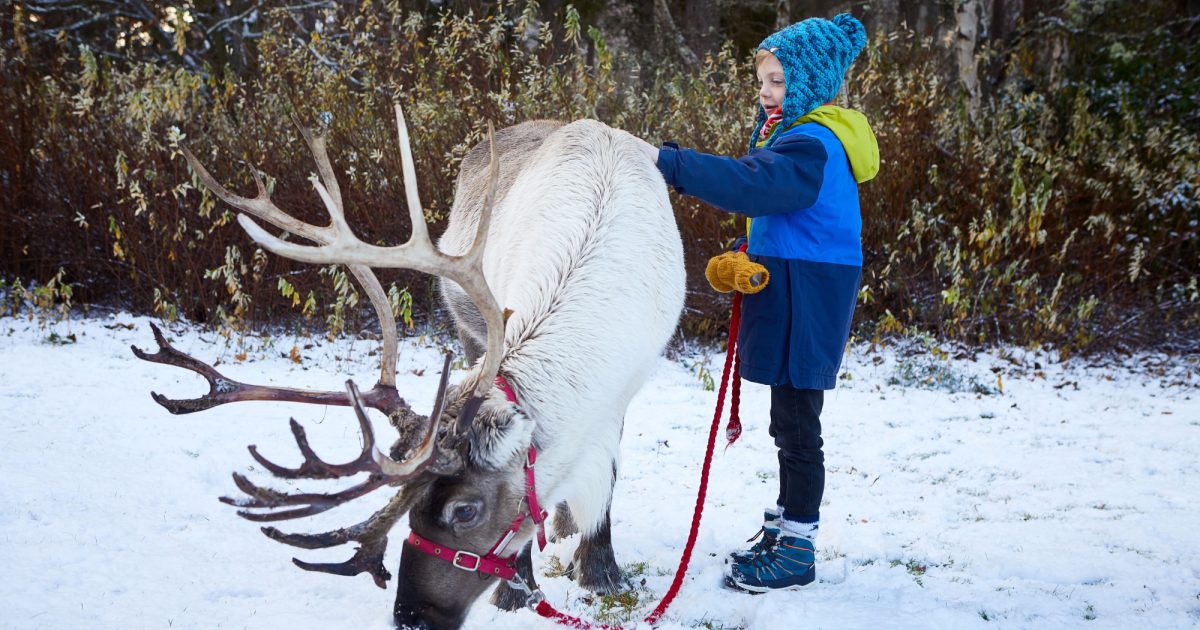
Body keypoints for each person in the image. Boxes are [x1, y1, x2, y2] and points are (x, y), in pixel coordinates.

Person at [648, 13, 879, 592]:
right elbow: (785, 213)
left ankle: (798, 549)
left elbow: (754, 185)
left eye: (778, 82)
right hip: (793, 279)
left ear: (808, 83)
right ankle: (783, 525)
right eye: (763, 82)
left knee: (799, 425)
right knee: (786, 419)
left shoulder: (811, 142)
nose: (766, 93)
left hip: (810, 289)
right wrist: (746, 249)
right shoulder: (797, 139)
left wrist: (670, 163)